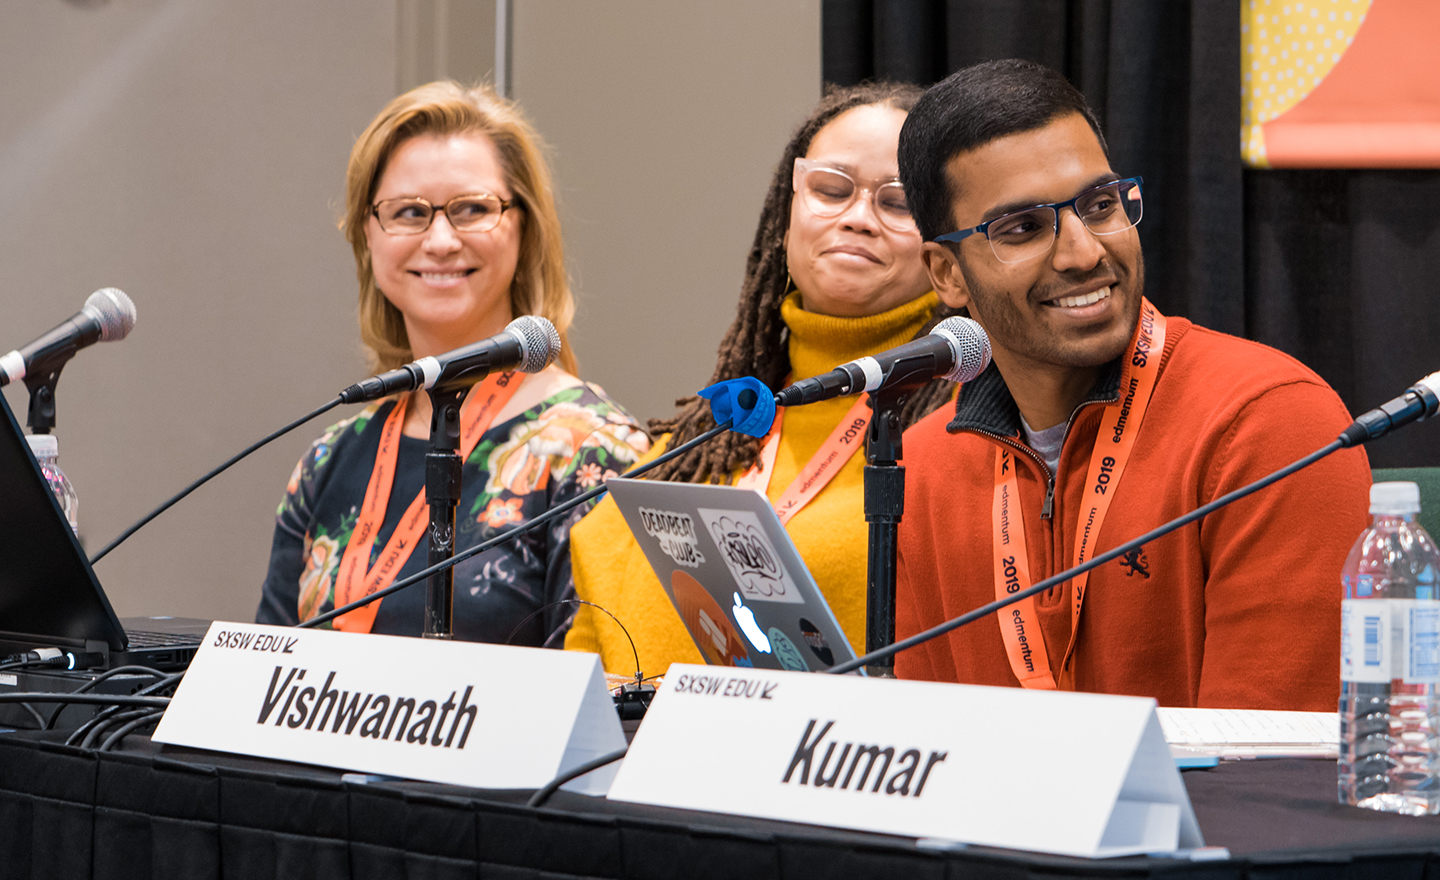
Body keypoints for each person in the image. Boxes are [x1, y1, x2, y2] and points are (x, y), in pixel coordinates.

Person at [891, 59, 1370, 710]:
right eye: (1025, 228)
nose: (1084, 252)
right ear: (947, 274)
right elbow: (929, 756)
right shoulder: (918, 467)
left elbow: (1270, 778)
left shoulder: (1273, 422)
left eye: (1099, 205)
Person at [565, 83, 958, 676]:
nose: (857, 218)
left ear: (945, 247)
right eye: (831, 189)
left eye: (899, 203)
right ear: (785, 214)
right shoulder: (708, 434)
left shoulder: (966, 427)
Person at [256, 82, 650, 645]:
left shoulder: (595, 454)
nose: (440, 240)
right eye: (409, 212)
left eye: (471, 209)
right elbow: (261, 687)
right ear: (368, 235)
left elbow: (603, 708)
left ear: (524, 228)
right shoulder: (327, 462)